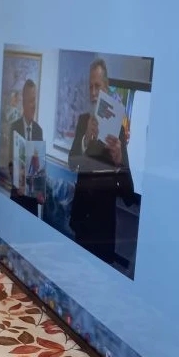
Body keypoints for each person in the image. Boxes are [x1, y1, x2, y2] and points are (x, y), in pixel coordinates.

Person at [68, 57, 135, 264]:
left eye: (97, 86)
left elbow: (129, 196)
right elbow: (72, 164)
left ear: (106, 88)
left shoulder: (119, 131)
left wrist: (119, 162)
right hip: (80, 223)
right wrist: (85, 140)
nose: (93, 92)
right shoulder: (83, 121)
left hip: (103, 231)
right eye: (90, 87)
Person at [9, 79, 43, 215]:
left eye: (35, 100)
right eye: (30, 101)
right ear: (23, 102)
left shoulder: (39, 131)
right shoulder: (14, 128)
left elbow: (39, 166)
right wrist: (17, 181)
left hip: (32, 200)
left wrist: (40, 191)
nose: (33, 105)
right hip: (17, 197)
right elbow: (8, 163)